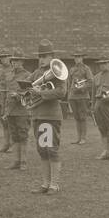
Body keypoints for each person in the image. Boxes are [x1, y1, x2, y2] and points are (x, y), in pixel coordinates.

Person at [27, 38, 68, 195]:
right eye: (40, 56)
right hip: (38, 115)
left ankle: (54, 184)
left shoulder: (58, 73)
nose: (41, 59)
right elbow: (26, 86)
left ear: (52, 57)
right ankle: (45, 183)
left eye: (44, 56)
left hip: (51, 116)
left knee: (52, 150)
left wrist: (41, 92)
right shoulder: (36, 73)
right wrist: (22, 92)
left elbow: (61, 92)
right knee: (42, 150)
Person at [2, 50, 29, 169]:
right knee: (14, 136)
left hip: (22, 110)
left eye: (17, 60)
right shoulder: (8, 75)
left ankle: (23, 162)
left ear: (22, 61)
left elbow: (29, 94)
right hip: (11, 110)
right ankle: (16, 161)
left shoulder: (27, 75)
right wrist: (5, 110)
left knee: (22, 135)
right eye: (13, 60)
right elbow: (6, 93)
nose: (14, 63)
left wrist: (18, 96)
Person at [66, 49, 93, 145]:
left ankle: (83, 138)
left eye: (79, 57)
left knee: (83, 117)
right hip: (73, 97)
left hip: (83, 96)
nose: (77, 59)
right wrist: (69, 94)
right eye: (75, 57)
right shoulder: (72, 69)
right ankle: (78, 138)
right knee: (76, 117)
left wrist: (81, 88)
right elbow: (69, 83)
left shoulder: (86, 69)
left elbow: (90, 82)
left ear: (82, 58)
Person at [0, 48, 14, 152]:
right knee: (3, 122)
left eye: (5, 57)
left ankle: (13, 144)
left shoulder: (14, 70)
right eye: (1, 57)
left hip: (10, 98)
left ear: (10, 58)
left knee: (11, 121)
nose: (3, 59)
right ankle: (6, 144)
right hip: (0, 98)